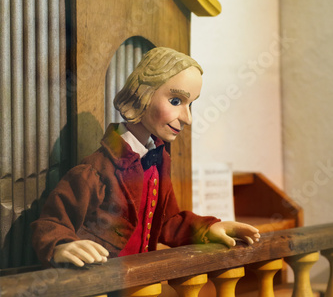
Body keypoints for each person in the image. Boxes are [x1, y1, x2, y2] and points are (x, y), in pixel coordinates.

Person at [31, 47, 260, 267]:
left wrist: (207, 229)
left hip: (141, 290)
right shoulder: (95, 171)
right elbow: (52, 223)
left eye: (191, 104)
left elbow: (167, 222)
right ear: (144, 94)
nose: (187, 118)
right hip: (100, 295)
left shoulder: (158, 161)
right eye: (176, 101)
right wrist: (61, 245)